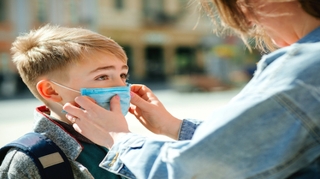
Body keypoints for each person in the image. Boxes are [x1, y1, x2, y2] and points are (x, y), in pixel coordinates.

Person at [63, 0, 320, 178]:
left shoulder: (305, 67)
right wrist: (173, 126)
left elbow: (197, 170)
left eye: (123, 74)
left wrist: (117, 138)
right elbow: (263, 144)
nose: (247, 19)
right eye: (102, 77)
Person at [0, 24, 130, 179]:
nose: (121, 86)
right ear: (51, 91)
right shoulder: (30, 159)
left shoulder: (120, 138)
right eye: (102, 76)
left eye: (123, 75)